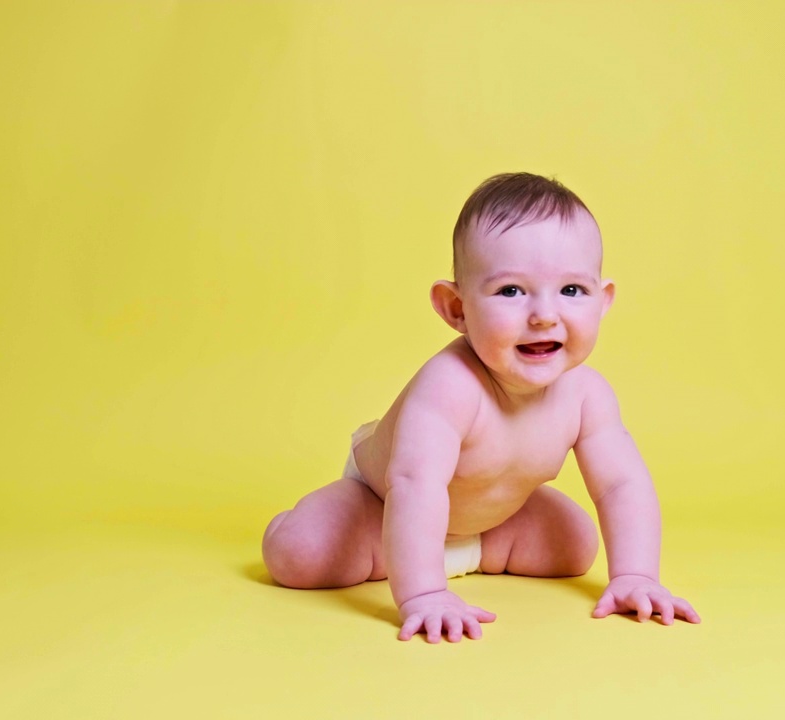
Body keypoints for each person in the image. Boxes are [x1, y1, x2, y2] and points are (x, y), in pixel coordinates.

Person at [261, 172, 700, 642]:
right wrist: (424, 595)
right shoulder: (449, 387)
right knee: (299, 553)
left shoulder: (587, 394)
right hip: (384, 502)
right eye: (511, 291)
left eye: (572, 291)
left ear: (603, 300)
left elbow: (620, 485)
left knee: (575, 545)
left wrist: (636, 575)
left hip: (494, 515)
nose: (545, 315)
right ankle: (411, 558)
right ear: (456, 308)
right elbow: (415, 484)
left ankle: (476, 548)